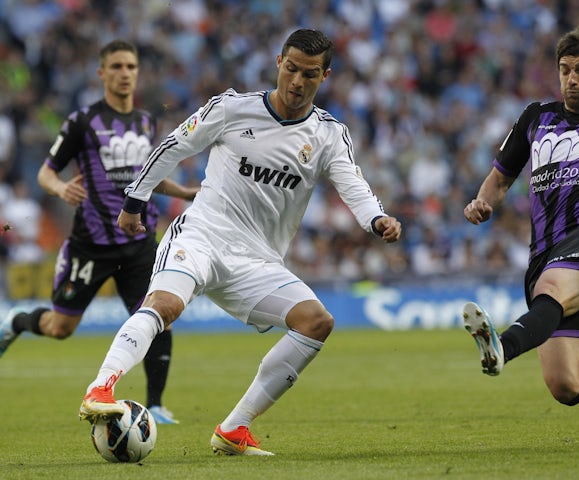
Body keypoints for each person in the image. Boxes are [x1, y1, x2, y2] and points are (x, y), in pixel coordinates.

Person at [78, 29, 402, 456]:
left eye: (309, 74)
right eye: (291, 69)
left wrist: (376, 218)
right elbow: (172, 147)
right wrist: (134, 201)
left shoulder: (327, 134)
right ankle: (101, 388)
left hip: (258, 260)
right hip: (202, 235)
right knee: (164, 306)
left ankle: (233, 430)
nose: (297, 82)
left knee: (316, 322)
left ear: (325, 76)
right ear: (277, 63)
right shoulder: (231, 108)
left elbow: (352, 185)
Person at [0, 40, 198, 424]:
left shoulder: (145, 121)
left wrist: (186, 191)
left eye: (131, 67)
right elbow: (46, 172)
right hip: (91, 245)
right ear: (102, 73)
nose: (125, 73)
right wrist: (60, 189)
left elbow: (149, 177)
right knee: (60, 328)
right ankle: (16, 322)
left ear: (137, 73)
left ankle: (155, 405)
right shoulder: (82, 121)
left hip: (139, 240)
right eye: (117, 66)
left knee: (158, 314)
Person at [462, 26, 579, 410]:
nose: (571, 79)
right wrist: (482, 202)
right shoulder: (535, 117)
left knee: (554, 287)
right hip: (545, 251)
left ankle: (502, 347)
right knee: (566, 385)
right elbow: (499, 179)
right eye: (565, 69)